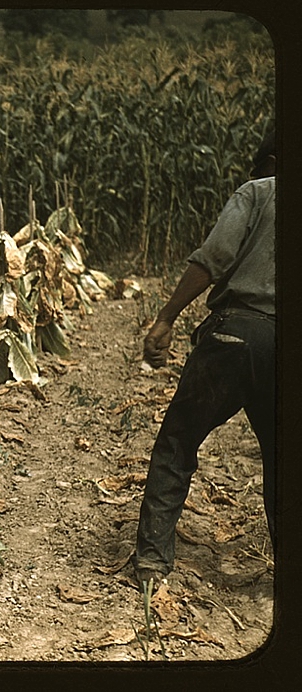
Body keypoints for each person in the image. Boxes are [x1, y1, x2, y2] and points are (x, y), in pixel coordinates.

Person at [133, 129, 276, 587]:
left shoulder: (258, 192)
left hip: (235, 335)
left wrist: (166, 317)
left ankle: (153, 561)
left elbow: (212, 259)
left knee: (178, 443)